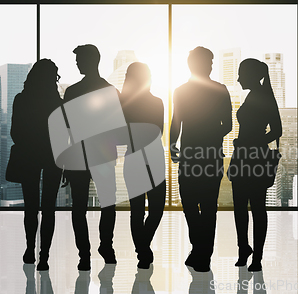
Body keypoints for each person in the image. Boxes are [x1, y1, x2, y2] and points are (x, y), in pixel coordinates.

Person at [169, 46, 232, 272]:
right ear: (200, 64)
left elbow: (177, 121)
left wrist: (172, 143)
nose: (212, 66)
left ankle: (201, 252)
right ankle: (202, 251)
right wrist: (211, 137)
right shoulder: (220, 90)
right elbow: (228, 125)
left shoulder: (181, 91)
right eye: (210, 62)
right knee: (206, 206)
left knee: (191, 204)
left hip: (192, 155)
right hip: (210, 155)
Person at [63, 44, 118, 271]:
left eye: (79, 59)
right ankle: (106, 247)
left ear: (90, 61)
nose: (76, 63)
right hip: (103, 152)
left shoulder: (72, 92)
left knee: (79, 207)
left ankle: (84, 254)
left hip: (79, 154)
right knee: (108, 203)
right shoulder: (110, 90)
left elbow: (66, 128)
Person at [9, 59, 63, 271]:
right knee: (49, 208)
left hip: (29, 156)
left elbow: (15, 133)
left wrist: (30, 142)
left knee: (31, 208)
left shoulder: (21, 100)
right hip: (53, 157)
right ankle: (44, 257)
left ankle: (30, 250)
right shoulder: (57, 103)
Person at [228, 58, 282, 272]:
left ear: (251, 75)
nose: (238, 78)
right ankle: (245, 250)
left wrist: (252, 142)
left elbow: (277, 130)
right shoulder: (255, 96)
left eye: (241, 73)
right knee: (243, 207)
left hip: (252, 157)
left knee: (254, 208)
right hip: (245, 156)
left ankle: (255, 256)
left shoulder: (263, 97)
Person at [120, 62, 166, 269]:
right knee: (155, 209)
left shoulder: (123, 105)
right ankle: (143, 250)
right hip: (153, 157)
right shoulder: (157, 103)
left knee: (137, 210)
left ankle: (142, 249)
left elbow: (120, 136)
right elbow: (159, 132)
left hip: (135, 157)